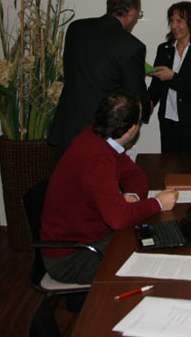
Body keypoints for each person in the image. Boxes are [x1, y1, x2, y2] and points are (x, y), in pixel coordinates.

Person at [41, 91, 178, 284]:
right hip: (72, 257)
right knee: (148, 266)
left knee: (151, 245)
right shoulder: (97, 159)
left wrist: (132, 196)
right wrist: (157, 203)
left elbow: (135, 175)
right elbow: (118, 219)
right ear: (132, 129)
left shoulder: (100, 138)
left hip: (92, 238)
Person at [48, 0, 151, 162]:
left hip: (67, 128)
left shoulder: (76, 28)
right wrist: (147, 107)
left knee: (64, 179)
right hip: (100, 133)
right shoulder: (132, 47)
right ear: (132, 13)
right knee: (98, 180)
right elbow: (134, 95)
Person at [148, 1, 191, 153]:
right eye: (171, 21)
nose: (174, 26)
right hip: (168, 122)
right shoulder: (164, 49)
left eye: (179, 21)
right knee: (168, 166)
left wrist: (172, 77)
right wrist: (147, 103)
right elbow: (156, 86)